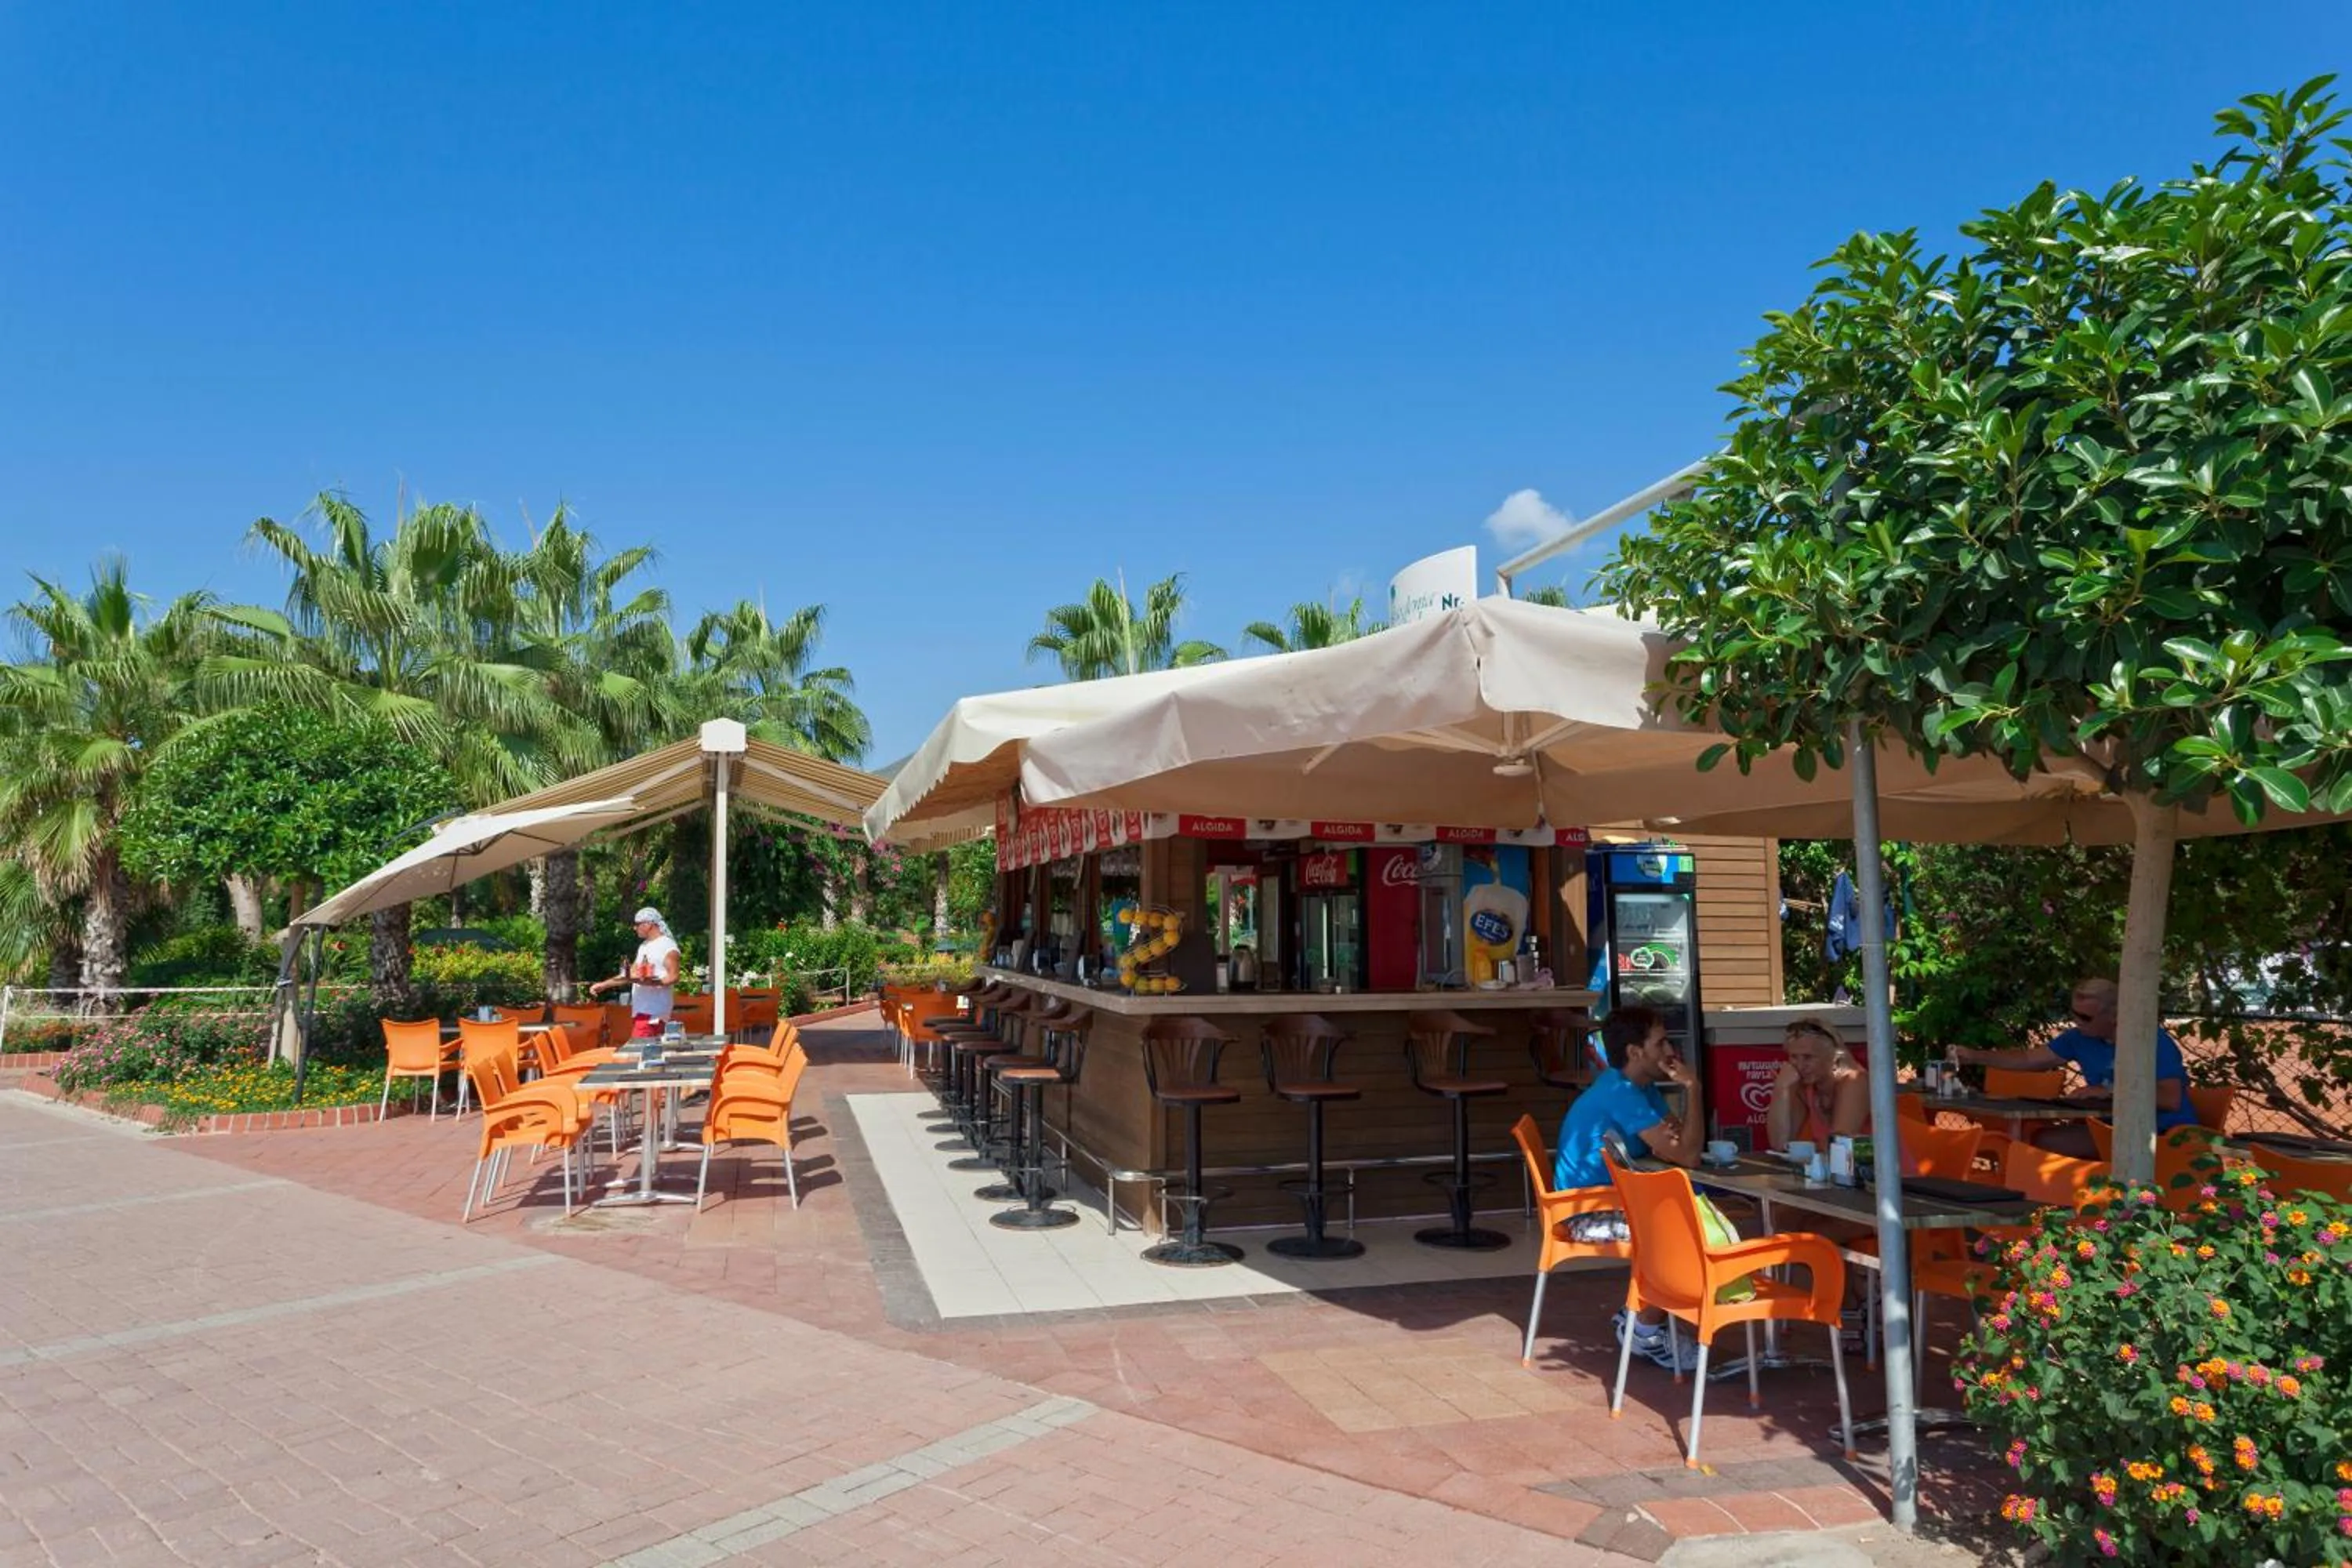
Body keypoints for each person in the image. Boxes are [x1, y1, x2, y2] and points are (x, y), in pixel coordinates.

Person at [1552, 1005, 1707, 1371]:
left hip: (1614, 1200)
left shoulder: (1640, 1087)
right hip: (1583, 1213)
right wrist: (1693, 1088)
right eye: (1661, 1042)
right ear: (1636, 1052)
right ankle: (1645, 1331)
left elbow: (1680, 1143)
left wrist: (1683, 1130)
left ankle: (1638, 1316)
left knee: (1699, 1216)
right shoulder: (1621, 1092)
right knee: (1679, 1231)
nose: (1670, 1050)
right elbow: (1688, 1154)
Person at [1952, 976, 2195, 1157]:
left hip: (2161, 1135)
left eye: (2085, 1018)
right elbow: (2029, 1059)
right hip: (2113, 1130)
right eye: (2074, 1014)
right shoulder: (2079, 1037)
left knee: (2035, 1143)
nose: (2077, 1022)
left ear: (2116, 1016)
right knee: (2029, 1138)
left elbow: (2169, 1099)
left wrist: (2108, 1091)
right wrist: (1975, 1056)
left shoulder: (2150, 1041)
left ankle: (2048, 1211)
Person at [1763, 1017, 1868, 1153]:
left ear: (1833, 1056)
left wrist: (1805, 1151)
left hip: (1884, 1171)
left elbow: (1839, 1147)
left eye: (1808, 1057)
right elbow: (1780, 1143)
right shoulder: (1804, 1084)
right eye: (1794, 1057)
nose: (1800, 1066)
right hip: (1831, 1170)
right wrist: (1781, 1088)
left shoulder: (1854, 1080)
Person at [587, 906, 681, 1035]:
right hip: (643, 1011)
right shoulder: (645, 946)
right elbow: (629, 975)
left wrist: (651, 982)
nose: (634, 928)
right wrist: (604, 985)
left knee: (638, 1052)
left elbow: (674, 977)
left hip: (653, 1012)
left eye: (637, 924)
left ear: (649, 924)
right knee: (649, 1053)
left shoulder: (667, 946)